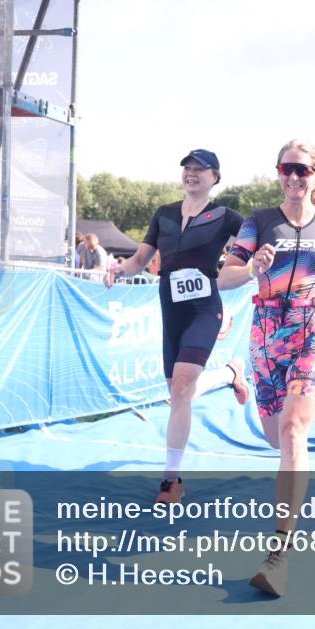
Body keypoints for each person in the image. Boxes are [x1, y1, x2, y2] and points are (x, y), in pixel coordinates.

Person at [219, 139, 315, 597]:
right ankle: (245, 385)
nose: (294, 177)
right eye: (286, 168)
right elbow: (225, 276)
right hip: (266, 328)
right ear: (278, 173)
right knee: (274, 436)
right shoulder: (258, 222)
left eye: (302, 170)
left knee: (292, 433)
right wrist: (251, 268)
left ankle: (280, 552)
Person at [106, 148, 248, 502]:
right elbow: (140, 260)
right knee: (178, 393)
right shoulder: (164, 214)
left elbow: (240, 263)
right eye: (188, 167)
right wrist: (118, 269)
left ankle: (171, 481)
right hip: (171, 309)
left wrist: (230, 302)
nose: (192, 173)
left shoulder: (228, 217)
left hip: (204, 309)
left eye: (201, 169)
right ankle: (231, 374)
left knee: (184, 386)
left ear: (216, 177)